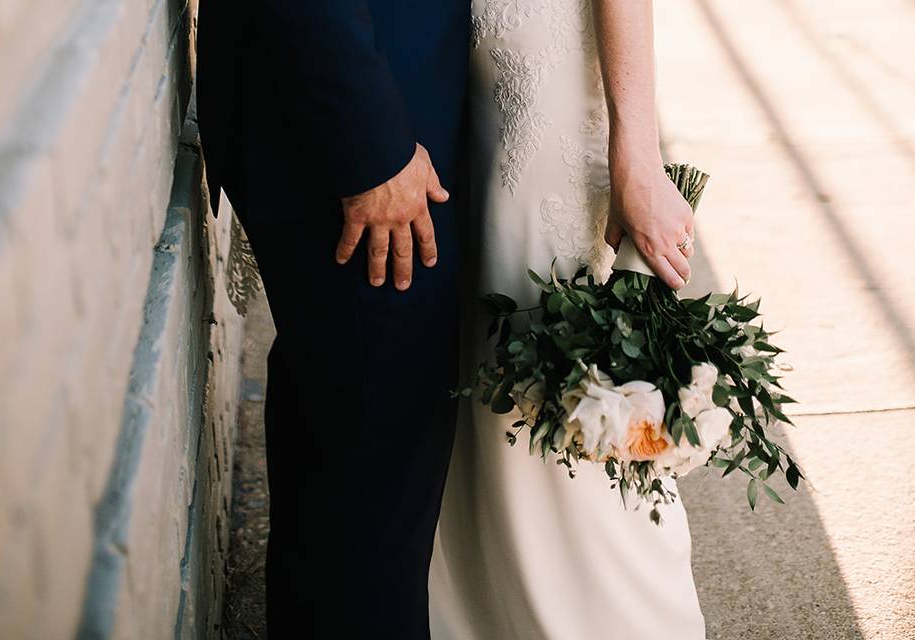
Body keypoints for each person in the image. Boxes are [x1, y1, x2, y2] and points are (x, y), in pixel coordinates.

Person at [427, 1, 707, 638]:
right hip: (476, 83)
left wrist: (637, 158)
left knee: (559, 375)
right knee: (482, 367)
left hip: (546, 98)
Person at [196, 2, 470, 637]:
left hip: (391, 101)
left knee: (351, 448)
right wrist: (370, 147)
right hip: (357, 129)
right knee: (372, 464)